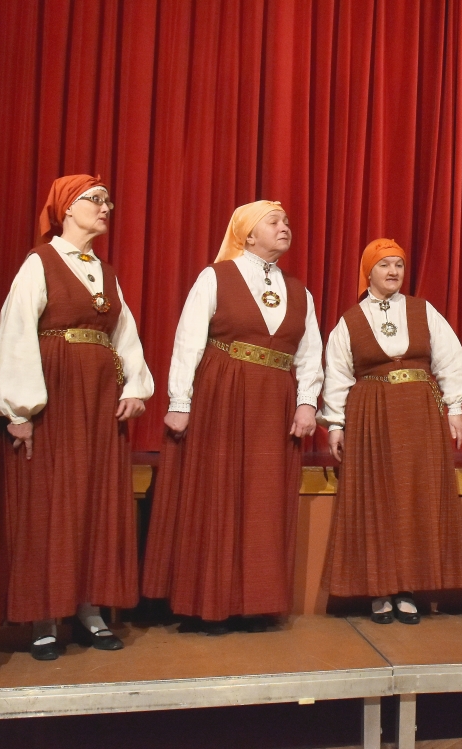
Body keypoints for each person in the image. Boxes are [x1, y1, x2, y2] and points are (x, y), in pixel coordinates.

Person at [143, 201, 323, 633]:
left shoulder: (300, 292)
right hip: (222, 393)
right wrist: (180, 402)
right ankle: (208, 601)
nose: (284, 227)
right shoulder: (216, 277)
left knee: (264, 499)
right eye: (273, 222)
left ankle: (254, 602)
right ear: (248, 234)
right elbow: (189, 340)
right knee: (217, 493)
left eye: (287, 221)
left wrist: (306, 402)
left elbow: (309, 352)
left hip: (275, 401)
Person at [0, 175, 154, 660]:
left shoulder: (106, 272)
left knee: (95, 497)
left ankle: (89, 609)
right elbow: (16, 332)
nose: (105, 207)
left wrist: (135, 387)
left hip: (99, 399)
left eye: (108, 200)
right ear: (66, 207)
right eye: (94, 199)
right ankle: (45, 616)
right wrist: (19, 409)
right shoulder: (40, 263)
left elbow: (124, 334)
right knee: (50, 499)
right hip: (57, 396)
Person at [320, 239, 462, 623]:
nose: (393, 272)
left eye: (399, 265)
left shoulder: (423, 311)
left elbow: (450, 359)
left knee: (417, 496)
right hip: (372, 413)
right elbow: (337, 373)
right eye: (385, 265)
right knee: (378, 496)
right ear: (368, 272)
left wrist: (455, 407)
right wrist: (335, 424)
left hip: (420, 412)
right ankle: (380, 588)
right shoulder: (351, 320)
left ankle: (409, 588)